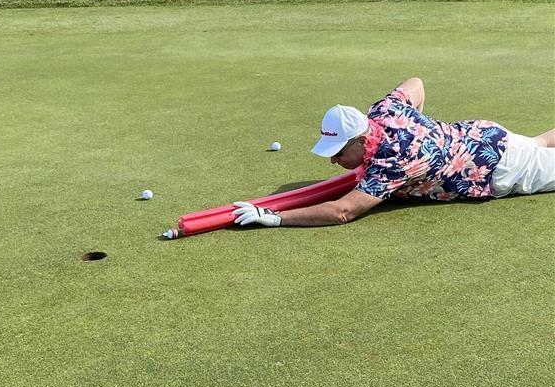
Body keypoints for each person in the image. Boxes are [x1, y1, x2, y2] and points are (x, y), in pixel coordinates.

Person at [232, 77, 555, 228]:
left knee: (537, 153)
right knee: (536, 144)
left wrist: (277, 217)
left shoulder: (391, 163)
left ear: (361, 140)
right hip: (486, 134)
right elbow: (416, 83)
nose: (334, 161)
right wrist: (423, 135)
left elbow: (343, 211)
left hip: (498, 168)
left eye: (339, 152)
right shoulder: (383, 110)